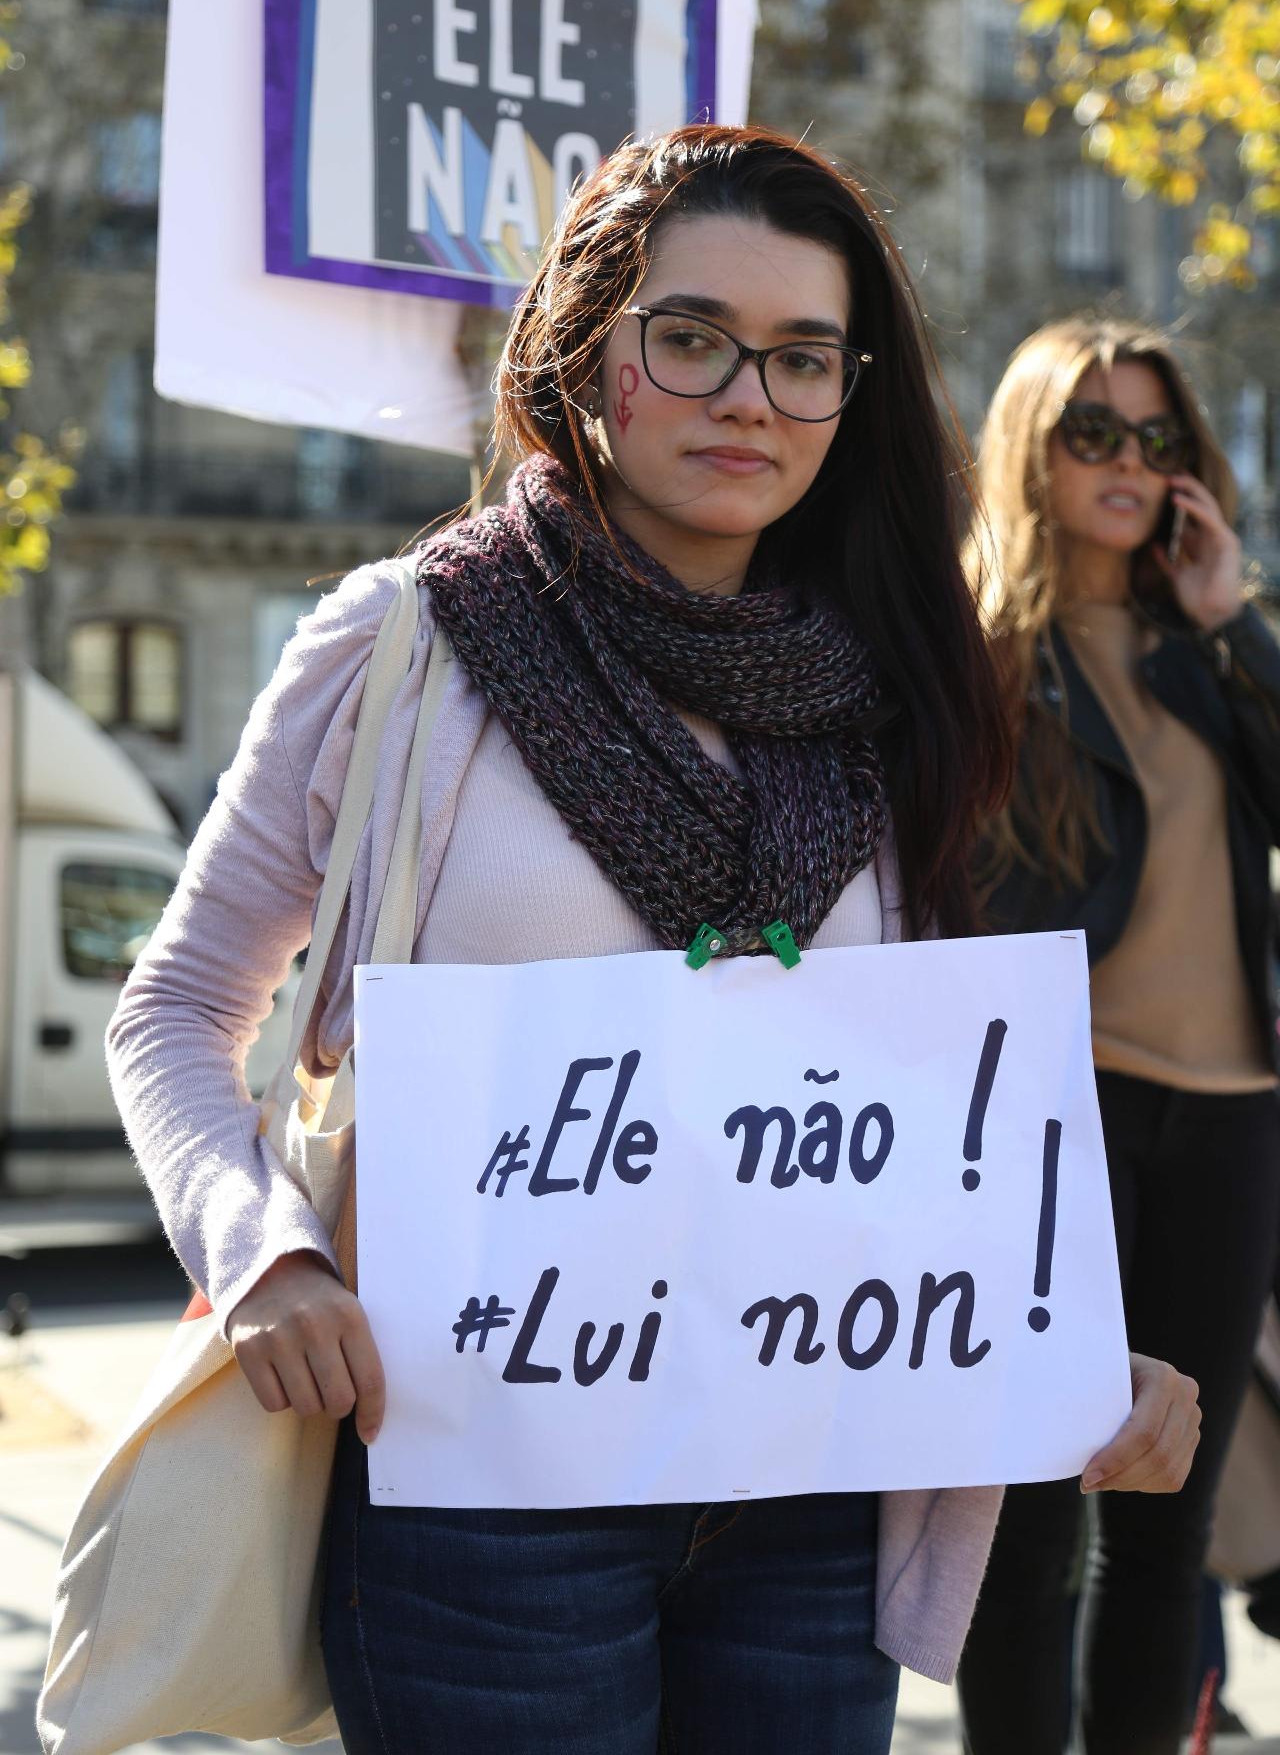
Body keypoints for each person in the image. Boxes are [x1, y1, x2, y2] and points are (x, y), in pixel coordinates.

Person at [106, 132, 1199, 1755]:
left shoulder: (898, 699)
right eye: (692, 339)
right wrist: (263, 1256)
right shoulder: (403, 647)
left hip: (811, 1498)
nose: (748, 397)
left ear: (850, 400)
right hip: (480, 1491)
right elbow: (179, 1007)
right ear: (586, 351)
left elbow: (922, 1124)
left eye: (804, 358)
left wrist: (1065, 1346)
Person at [957, 315, 1280, 1755]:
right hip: (1060, 1113)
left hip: (1232, 1116)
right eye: (1095, 431)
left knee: (1168, 1523)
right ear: (1034, 448)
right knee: (1031, 1522)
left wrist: (1232, 617)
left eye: (1158, 437)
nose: (1132, 463)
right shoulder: (980, 657)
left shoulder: (1207, 653)